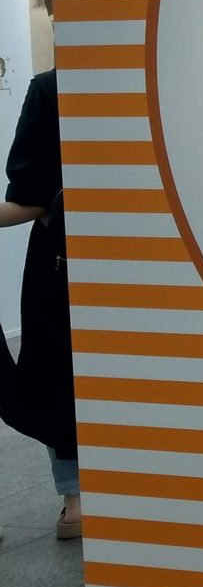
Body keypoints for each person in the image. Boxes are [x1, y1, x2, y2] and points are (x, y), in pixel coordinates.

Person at [0, 69, 80, 540]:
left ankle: (76, 498)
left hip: (62, 259)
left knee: (57, 371)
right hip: (146, 255)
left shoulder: (53, 87)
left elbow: (30, 196)